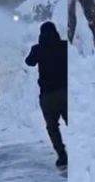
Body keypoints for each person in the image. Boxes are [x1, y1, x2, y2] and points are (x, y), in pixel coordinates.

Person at [25, 21, 68, 168]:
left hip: (48, 95)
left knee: (52, 126)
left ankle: (62, 154)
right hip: (65, 91)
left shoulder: (38, 49)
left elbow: (29, 62)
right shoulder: (64, 46)